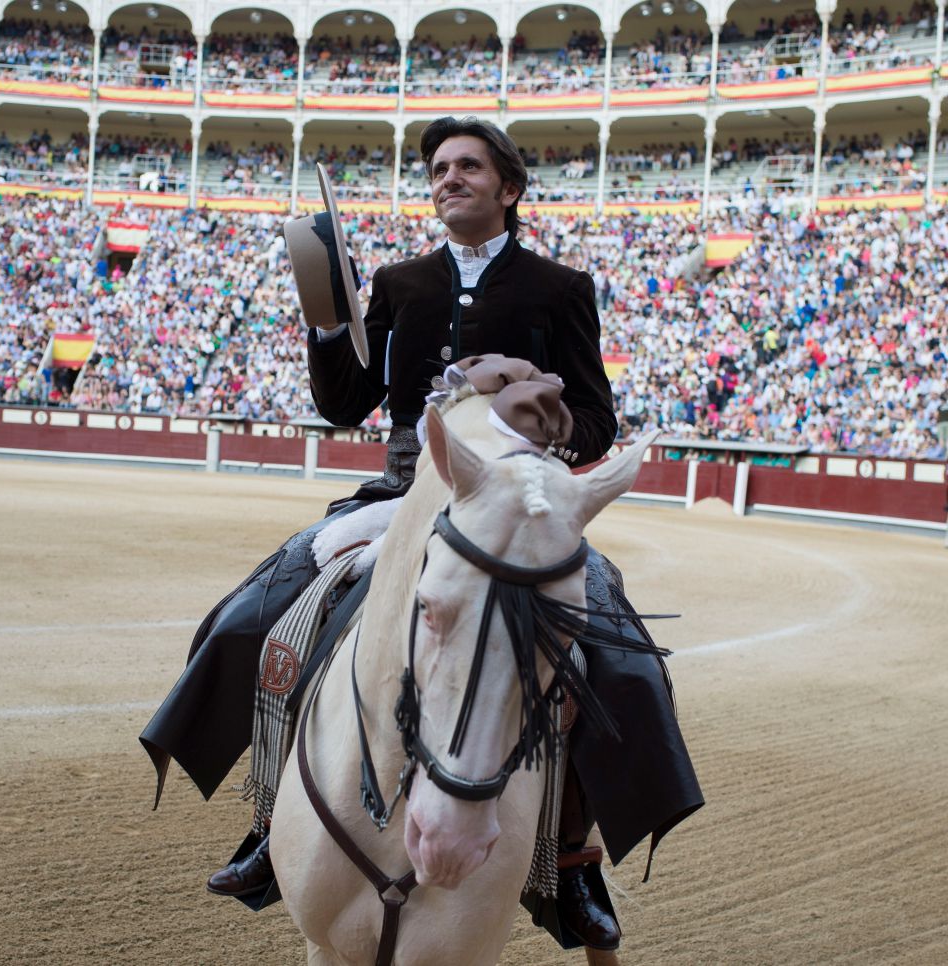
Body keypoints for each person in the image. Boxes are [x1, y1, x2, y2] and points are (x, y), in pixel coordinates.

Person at [140, 116, 702, 954]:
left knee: (615, 656)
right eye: (439, 169)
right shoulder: (399, 283)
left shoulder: (560, 287)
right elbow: (346, 403)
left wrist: (531, 416)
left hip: (512, 506)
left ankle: (571, 857)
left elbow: (595, 421)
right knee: (266, 609)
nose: (449, 179)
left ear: (509, 188)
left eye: (468, 166)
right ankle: (271, 822)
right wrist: (328, 322)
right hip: (405, 492)